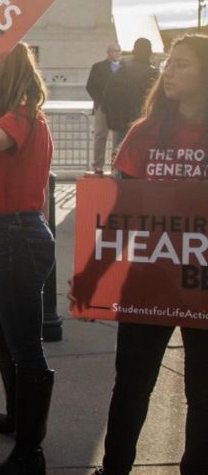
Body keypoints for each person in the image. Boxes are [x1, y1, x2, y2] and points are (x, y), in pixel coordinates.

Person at [93, 34, 207, 475]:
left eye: (183, 65)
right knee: (132, 384)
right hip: (148, 278)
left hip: (201, 282)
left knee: (202, 393)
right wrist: (91, 277)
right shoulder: (144, 132)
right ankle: (115, 466)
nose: (170, 72)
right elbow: (118, 211)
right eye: (169, 64)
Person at [0, 46, 56, 474]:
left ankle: (29, 451)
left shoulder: (22, 114)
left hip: (20, 236)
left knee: (25, 346)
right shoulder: (14, 113)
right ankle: (19, 415)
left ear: (11, 70)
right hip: (10, 235)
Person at [102, 38, 159, 137]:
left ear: (134, 52)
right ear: (149, 53)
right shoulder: (154, 73)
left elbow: (108, 96)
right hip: (147, 124)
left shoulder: (122, 70)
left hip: (124, 123)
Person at [86, 43, 123, 175]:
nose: (115, 53)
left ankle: (115, 165)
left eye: (118, 51)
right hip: (103, 107)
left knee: (117, 138)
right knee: (100, 135)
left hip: (119, 107)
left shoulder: (124, 67)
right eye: (113, 51)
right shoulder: (98, 67)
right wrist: (99, 101)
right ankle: (98, 165)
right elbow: (90, 86)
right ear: (108, 52)